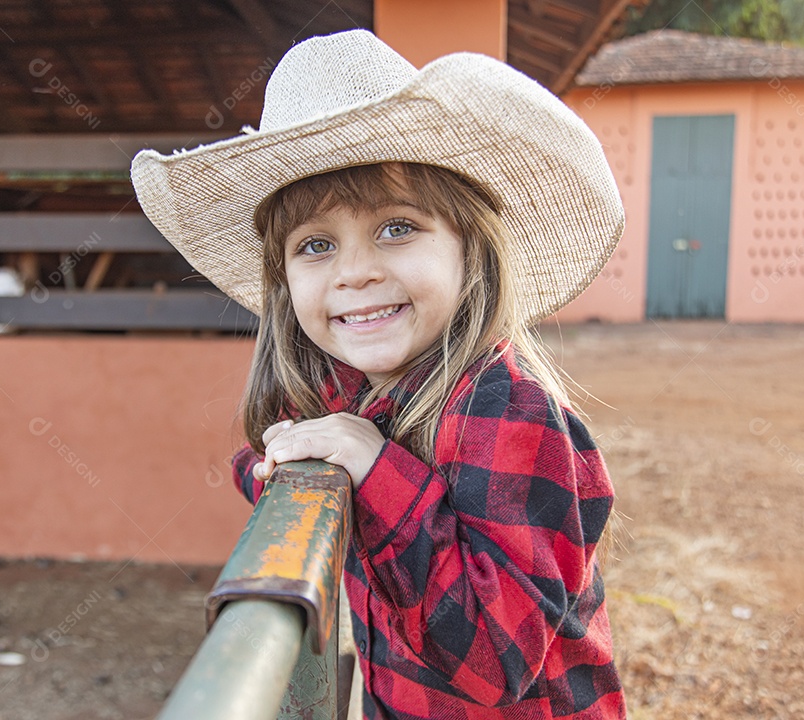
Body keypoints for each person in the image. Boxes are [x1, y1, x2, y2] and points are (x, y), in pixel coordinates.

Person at [132, 29, 626, 720]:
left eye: (397, 227)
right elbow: (263, 455)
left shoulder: (508, 413)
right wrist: (288, 462)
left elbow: (495, 658)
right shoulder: (349, 395)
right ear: (285, 284)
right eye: (316, 245)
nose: (355, 271)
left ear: (469, 252)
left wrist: (374, 467)